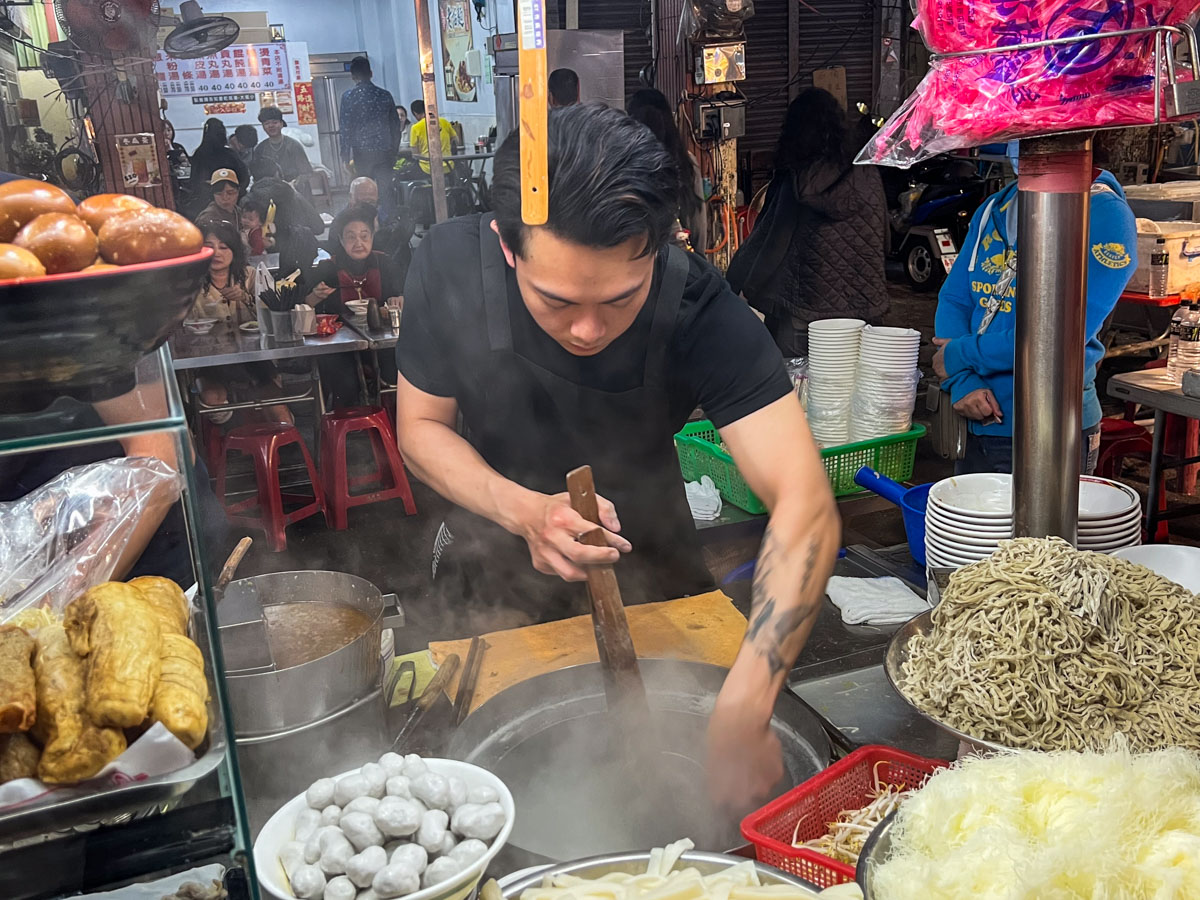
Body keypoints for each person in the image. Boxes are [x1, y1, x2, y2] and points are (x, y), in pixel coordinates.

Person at [394, 103, 839, 808]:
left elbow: (806, 504)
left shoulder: (695, 303)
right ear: (506, 247)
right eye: (555, 300)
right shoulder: (450, 266)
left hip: (655, 575)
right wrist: (527, 512)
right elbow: (419, 428)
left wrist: (746, 705)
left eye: (622, 298)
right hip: (492, 583)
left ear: (661, 246)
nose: (588, 328)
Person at [932, 158, 1137, 476]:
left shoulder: (1103, 214)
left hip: (1052, 427)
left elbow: (1055, 338)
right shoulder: (995, 208)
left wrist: (959, 355)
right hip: (976, 419)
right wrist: (962, 381)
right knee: (976, 526)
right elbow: (955, 299)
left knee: (1049, 528)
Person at [726, 88, 889, 357]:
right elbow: (884, 236)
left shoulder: (796, 179)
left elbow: (772, 243)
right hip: (864, 314)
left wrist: (742, 286)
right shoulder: (868, 172)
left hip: (804, 316)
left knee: (798, 389)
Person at [190, 219, 293, 426]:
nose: (216, 253)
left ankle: (281, 449)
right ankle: (232, 442)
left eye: (224, 247)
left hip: (254, 359)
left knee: (281, 416)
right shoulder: (189, 284)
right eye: (209, 247)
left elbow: (276, 316)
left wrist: (246, 299)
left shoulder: (251, 276)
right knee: (213, 402)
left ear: (235, 250)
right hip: (208, 360)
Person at [308, 203, 400, 406]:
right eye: (351, 237)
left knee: (397, 370)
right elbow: (304, 306)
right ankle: (350, 427)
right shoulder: (327, 267)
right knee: (345, 382)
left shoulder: (384, 264)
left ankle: (392, 424)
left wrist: (399, 300)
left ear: (372, 237)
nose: (358, 242)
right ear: (341, 240)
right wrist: (315, 296)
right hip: (340, 345)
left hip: (382, 342)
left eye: (364, 235)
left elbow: (400, 295)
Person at [627, 89, 706, 253]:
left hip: (637, 260)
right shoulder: (686, 162)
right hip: (680, 260)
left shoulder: (625, 165)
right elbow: (698, 221)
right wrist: (699, 260)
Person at [339, 57, 403, 186]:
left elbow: (345, 129)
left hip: (361, 154)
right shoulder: (385, 95)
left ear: (352, 76)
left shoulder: (348, 97)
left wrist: (345, 157)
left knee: (364, 189)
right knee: (386, 192)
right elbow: (396, 126)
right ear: (371, 73)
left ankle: (366, 206)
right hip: (385, 152)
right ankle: (387, 207)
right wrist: (394, 152)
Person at [240, 188, 318, 285]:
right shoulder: (248, 230)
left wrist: (251, 257)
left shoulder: (256, 233)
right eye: (244, 217)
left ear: (260, 222)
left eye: (250, 219)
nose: (246, 221)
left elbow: (258, 247)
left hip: (259, 261)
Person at [188, 118, 249, 213]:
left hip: (205, 203)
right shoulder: (230, 154)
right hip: (233, 203)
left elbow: (195, 182)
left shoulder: (198, 154)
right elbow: (244, 178)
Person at [253, 107, 313, 187]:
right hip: (270, 189)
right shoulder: (260, 149)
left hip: (294, 189)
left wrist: (294, 183)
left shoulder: (293, 145)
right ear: (263, 126)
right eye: (267, 123)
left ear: (281, 124)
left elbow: (307, 172)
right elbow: (257, 176)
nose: (271, 126)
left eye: (275, 122)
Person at [409, 99, 457, 176]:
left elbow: (415, 153)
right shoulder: (444, 122)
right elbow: (454, 139)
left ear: (415, 113)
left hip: (427, 168)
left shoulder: (415, 127)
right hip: (448, 166)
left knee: (401, 174)